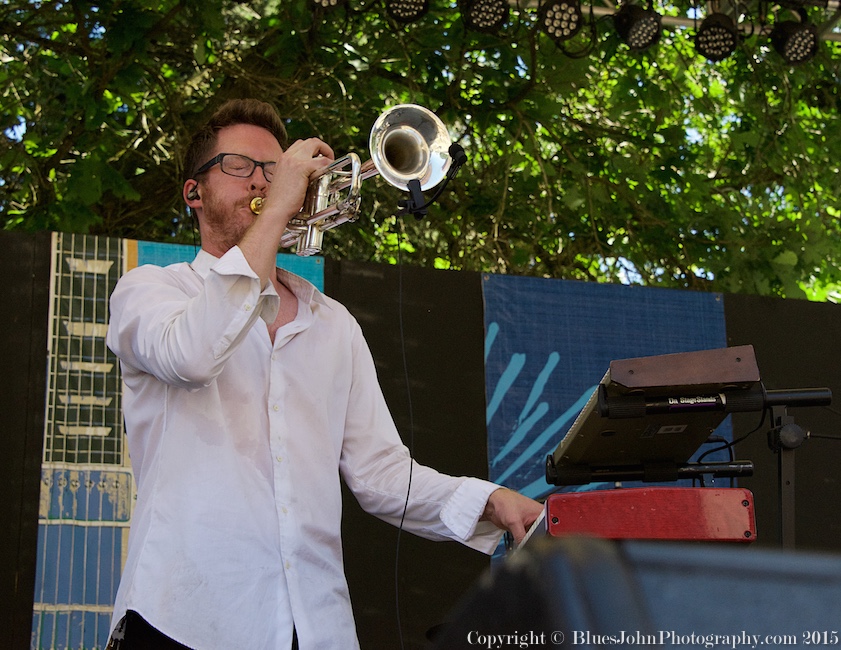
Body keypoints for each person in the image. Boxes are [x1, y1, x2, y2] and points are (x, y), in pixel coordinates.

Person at [105, 98, 543, 650]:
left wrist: (490, 501)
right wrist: (277, 209)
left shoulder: (333, 324)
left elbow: (383, 475)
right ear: (195, 192)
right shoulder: (151, 291)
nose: (262, 180)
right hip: (182, 618)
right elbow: (192, 355)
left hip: (314, 628)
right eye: (240, 166)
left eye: (274, 168)